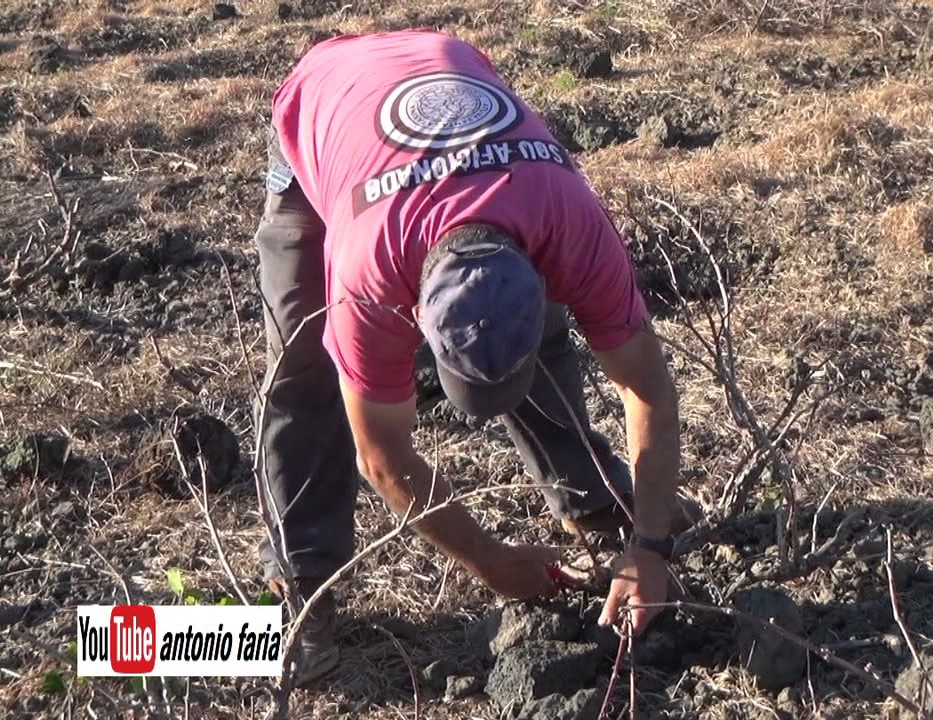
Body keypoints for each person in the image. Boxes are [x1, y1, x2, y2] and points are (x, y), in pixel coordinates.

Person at [250, 28, 698, 684]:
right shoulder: (367, 277)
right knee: (305, 367)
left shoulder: (570, 222)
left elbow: (648, 387)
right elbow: (382, 455)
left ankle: (594, 498)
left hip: (450, 75)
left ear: (541, 270)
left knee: (522, 330)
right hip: (324, 103)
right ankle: (302, 588)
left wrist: (650, 547)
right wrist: (489, 561)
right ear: (413, 315)